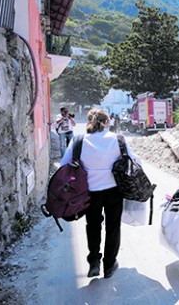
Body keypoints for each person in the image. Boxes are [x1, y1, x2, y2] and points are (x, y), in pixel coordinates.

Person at [60, 109, 137, 279]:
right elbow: (133, 161)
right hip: (114, 191)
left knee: (93, 226)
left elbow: (64, 165)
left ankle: (94, 262)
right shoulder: (118, 140)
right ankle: (109, 266)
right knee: (113, 227)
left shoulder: (79, 141)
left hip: (90, 193)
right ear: (108, 122)